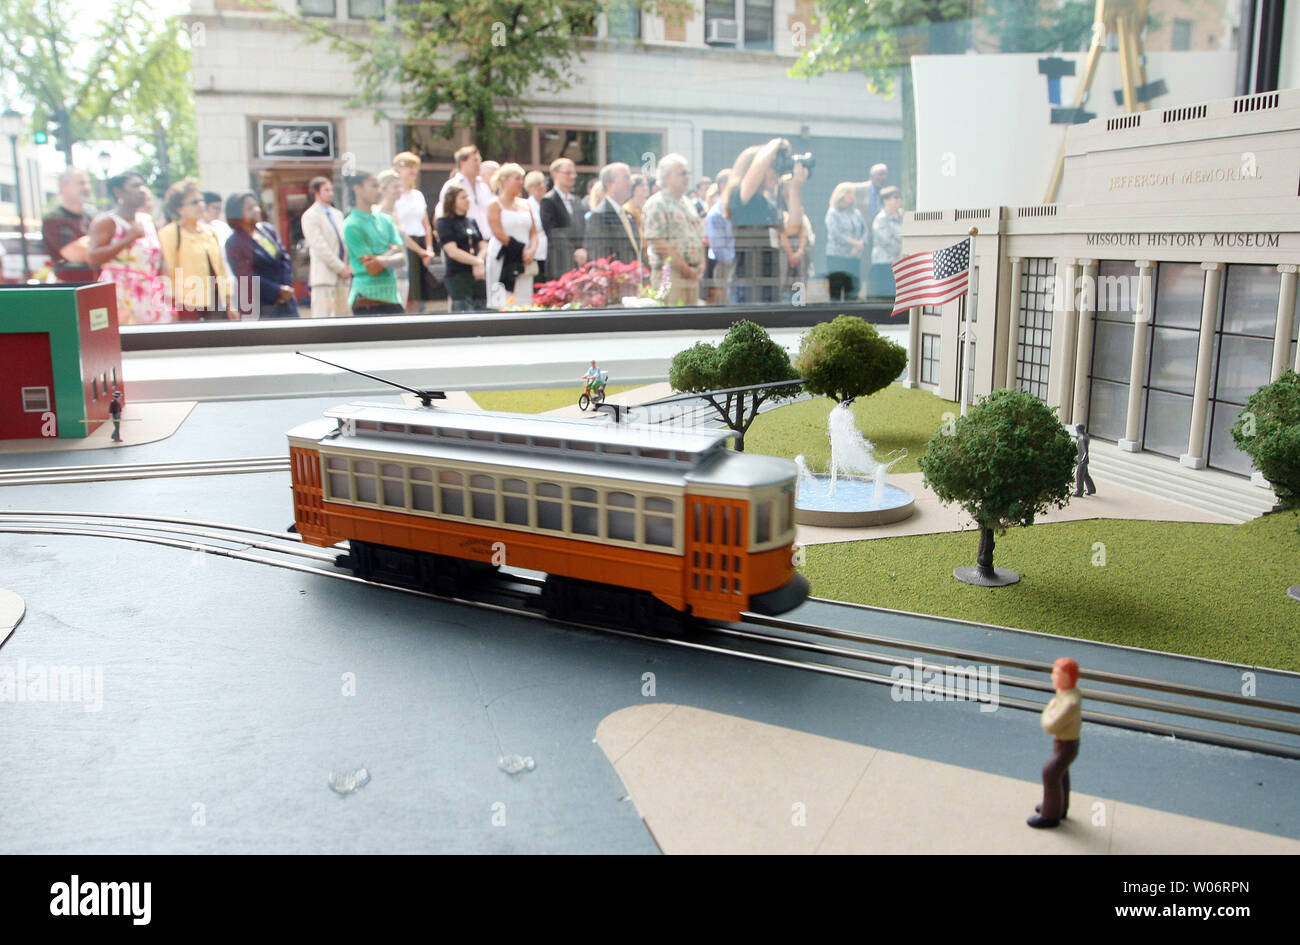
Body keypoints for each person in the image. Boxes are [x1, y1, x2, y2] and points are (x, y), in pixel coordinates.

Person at [723, 138, 806, 304]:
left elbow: (793, 227)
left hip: (770, 278)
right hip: (747, 280)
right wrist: (777, 144)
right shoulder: (741, 197)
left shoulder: (769, 203)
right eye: (772, 168)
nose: (775, 173)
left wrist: (795, 187)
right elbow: (757, 167)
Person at [86, 172, 166, 326]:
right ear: (118, 191)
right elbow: (92, 257)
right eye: (135, 186)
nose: (141, 190)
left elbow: (159, 259)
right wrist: (127, 239)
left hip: (148, 295)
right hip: (119, 296)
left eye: (142, 185)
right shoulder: (107, 222)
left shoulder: (147, 220)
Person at [159, 178, 236, 321]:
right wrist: (172, 308)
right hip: (188, 306)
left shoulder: (210, 232)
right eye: (194, 202)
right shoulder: (170, 233)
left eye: (201, 201)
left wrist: (229, 304)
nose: (201, 205)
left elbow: (220, 270)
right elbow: (168, 273)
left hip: (216, 304)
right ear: (179, 209)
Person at [643, 153, 705, 306]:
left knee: (693, 326)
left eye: (688, 173)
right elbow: (659, 243)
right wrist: (686, 269)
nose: (687, 177)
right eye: (682, 173)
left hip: (692, 276)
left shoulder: (688, 203)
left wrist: (701, 265)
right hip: (670, 275)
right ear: (666, 178)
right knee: (674, 323)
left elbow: (698, 236)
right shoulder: (657, 203)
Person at [224, 192, 299, 319]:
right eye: (249, 208)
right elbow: (246, 277)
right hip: (263, 306)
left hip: (287, 300)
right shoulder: (234, 243)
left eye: (256, 206)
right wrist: (277, 291)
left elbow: (284, 258)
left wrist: (285, 288)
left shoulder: (268, 229)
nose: (256, 210)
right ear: (236, 214)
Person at [1028, 658, 1083, 829]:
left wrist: (1049, 710)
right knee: (1060, 773)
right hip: (1064, 743)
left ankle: (1050, 815)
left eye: (1056, 674)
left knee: (1050, 773)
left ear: (1066, 677)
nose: (1052, 677)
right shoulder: (1068, 694)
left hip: (1066, 745)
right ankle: (1059, 807)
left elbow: (1050, 725)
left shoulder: (1069, 702)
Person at [342, 172, 406, 315]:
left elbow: (402, 258)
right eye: (373, 186)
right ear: (357, 188)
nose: (379, 191)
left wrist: (380, 259)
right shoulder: (351, 225)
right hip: (366, 299)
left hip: (392, 296)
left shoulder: (386, 220)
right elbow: (371, 267)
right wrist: (390, 252)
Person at [392, 151, 440, 311]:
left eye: (415, 167)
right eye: (409, 167)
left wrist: (429, 249)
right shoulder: (394, 196)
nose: (413, 171)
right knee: (409, 292)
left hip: (421, 247)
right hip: (406, 245)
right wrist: (420, 251)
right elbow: (398, 229)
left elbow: (426, 225)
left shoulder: (418, 195)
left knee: (421, 293)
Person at [485, 163, 538, 308]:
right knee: (501, 300)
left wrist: (532, 250)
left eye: (522, 179)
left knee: (524, 300)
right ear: (504, 180)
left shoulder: (526, 204)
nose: (521, 183)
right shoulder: (494, 204)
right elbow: (497, 231)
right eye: (517, 179)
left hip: (524, 260)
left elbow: (533, 232)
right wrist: (520, 250)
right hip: (504, 257)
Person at [300, 176, 351, 318]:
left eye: (331, 190)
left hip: (343, 278)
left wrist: (348, 266)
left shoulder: (338, 214)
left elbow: (344, 242)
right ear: (316, 192)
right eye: (326, 190)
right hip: (324, 277)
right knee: (323, 318)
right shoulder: (310, 216)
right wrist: (340, 268)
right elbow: (319, 246)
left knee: (344, 318)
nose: (330, 193)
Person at [436, 185, 487, 313]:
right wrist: (476, 262)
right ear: (452, 201)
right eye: (463, 197)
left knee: (481, 310)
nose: (467, 200)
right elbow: (452, 251)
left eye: (468, 197)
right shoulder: (444, 223)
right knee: (463, 311)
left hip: (477, 275)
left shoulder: (471, 221)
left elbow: (483, 245)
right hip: (458, 275)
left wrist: (479, 260)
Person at [42, 168, 95, 283]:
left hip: (100, 283)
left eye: (88, 183)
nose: (87, 187)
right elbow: (76, 253)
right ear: (64, 185)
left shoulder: (93, 214)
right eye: (81, 183)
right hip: (72, 288)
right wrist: (102, 240)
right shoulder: (53, 218)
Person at [584, 162, 641, 266]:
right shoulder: (599, 216)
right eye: (626, 178)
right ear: (610, 184)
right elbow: (601, 258)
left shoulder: (629, 216)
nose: (631, 183)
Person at [538, 157, 588, 278]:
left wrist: (583, 249)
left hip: (579, 263)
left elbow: (583, 228)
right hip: (558, 261)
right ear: (555, 174)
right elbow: (552, 231)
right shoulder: (548, 200)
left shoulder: (576, 200)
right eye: (568, 173)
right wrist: (574, 251)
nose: (572, 176)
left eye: (573, 173)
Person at [436, 145, 494, 237]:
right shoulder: (452, 185)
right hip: (463, 239)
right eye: (475, 160)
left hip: (486, 239)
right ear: (463, 162)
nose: (479, 164)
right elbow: (444, 214)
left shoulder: (484, 187)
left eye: (479, 160)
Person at [375, 169, 412, 309]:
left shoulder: (398, 212)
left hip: (403, 271)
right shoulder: (377, 214)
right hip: (387, 274)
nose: (399, 190)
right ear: (383, 189)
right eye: (395, 187)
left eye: (399, 186)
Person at [825, 182, 867, 301]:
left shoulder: (856, 213)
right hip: (837, 257)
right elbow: (836, 233)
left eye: (852, 193)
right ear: (841, 195)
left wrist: (860, 245)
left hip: (854, 257)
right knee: (836, 290)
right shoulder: (833, 213)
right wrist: (854, 243)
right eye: (849, 193)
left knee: (853, 290)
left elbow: (865, 231)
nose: (851, 196)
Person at [777, 176, 813, 301]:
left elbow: (803, 229)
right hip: (784, 255)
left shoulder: (799, 208)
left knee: (799, 287)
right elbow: (783, 232)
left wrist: (799, 252)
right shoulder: (778, 211)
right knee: (784, 286)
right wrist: (791, 253)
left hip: (800, 256)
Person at [703, 172, 734, 305]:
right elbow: (719, 249)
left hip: (734, 267)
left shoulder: (733, 209)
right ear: (723, 186)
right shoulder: (716, 214)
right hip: (725, 268)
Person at [868, 185, 903, 298]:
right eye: (895, 197)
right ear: (885, 200)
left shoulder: (902, 216)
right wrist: (902, 247)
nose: (898, 200)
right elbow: (886, 241)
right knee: (886, 295)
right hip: (884, 263)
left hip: (899, 262)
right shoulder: (881, 219)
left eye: (899, 197)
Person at [523, 170, 550, 280]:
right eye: (537, 184)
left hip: (548, 252)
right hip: (535, 252)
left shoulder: (548, 203)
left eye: (543, 183)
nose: (542, 187)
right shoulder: (526, 206)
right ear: (529, 188)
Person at [1074, 424, 1096, 496]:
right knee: (1086, 475)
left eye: (1076, 428)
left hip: (1082, 460)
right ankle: (1091, 489)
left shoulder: (1083, 438)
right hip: (1082, 459)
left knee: (1079, 475)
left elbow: (1086, 451)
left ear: (1079, 429)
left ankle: (1079, 491)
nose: (1076, 430)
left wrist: (1083, 460)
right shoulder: (1084, 436)